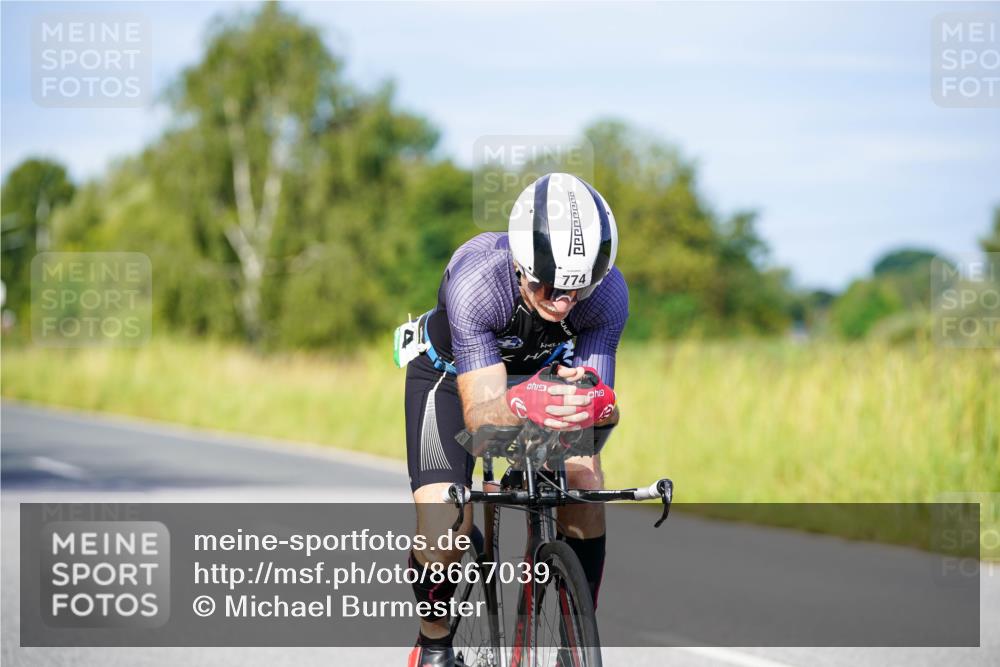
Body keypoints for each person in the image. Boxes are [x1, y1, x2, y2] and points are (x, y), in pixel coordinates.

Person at [400, 173, 628, 667]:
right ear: (523, 263)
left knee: (584, 479)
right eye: (551, 284)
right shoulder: (478, 282)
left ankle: (573, 629)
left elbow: (595, 409)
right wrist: (532, 408)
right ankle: (434, 645)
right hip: (452, 378)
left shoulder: (607, 295)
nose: (567, 299)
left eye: (580, 285)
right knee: (444, 520)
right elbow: (483, 421)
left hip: (539, 384)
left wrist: (589, 412)